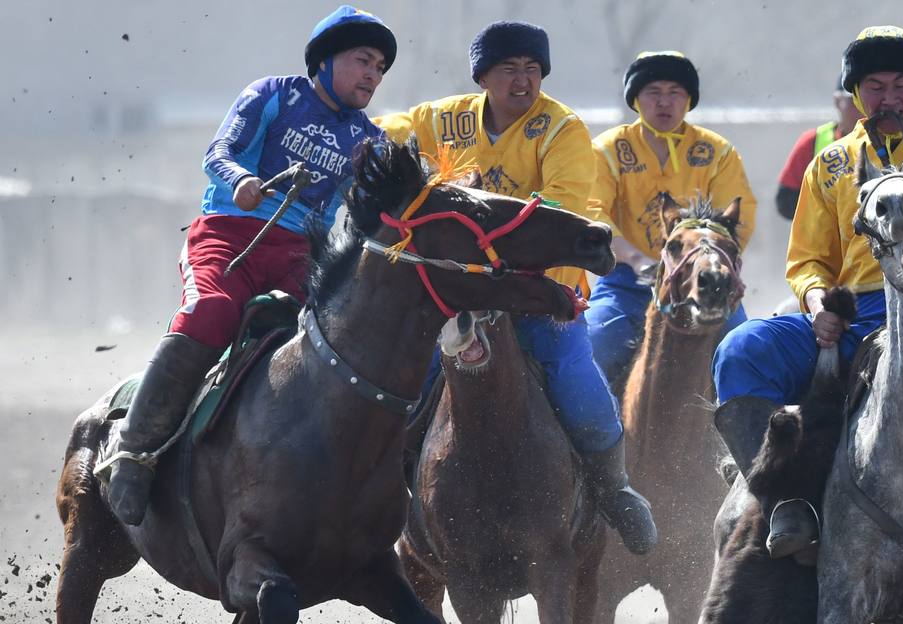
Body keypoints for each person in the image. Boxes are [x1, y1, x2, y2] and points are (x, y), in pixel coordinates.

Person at [711, 26, 903, 557]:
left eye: (901, 86)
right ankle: (785, 501)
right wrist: (818, 300)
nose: (888, 98)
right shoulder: (831, 163)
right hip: (859, 315)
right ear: (854, 92)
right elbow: (807, 260)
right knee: (741, 350)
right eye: (874, 86)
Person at [375, 21, 657, 555]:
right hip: (455, 295)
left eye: (532, 69)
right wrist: (355, 139)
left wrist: (508, 266)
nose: (522, 80)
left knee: (577, 380)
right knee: (405, 382)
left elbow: (572, 209)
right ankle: (384, 495)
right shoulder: (446, 118)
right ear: (483, 75)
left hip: (535, 290)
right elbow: (390, 130)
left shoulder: (561, 129)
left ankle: (615, 489)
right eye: (509, 69)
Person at [105, 6, 394, 525]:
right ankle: (132, 452)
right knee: (212, 311)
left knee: (324, 351)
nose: (373, 74)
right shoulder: (274, 93)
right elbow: (219, 151)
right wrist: (239, 180)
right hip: (228, 235)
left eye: (380, 67)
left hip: (302, 259)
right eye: (363, 60)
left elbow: (377, 209)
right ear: (325, 60)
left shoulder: (367, 139)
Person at [585, 50, 758, 382]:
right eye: (653, 92)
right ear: (636, 99)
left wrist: (709, 264)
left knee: (745, 347)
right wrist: (636, 260)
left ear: (689, 99)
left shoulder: (717, 151)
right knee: (595, 343)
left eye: (675, 92)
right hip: (627, 283)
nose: (664, 102)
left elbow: (737, 216)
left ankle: (745, 429)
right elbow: (592, 212)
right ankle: (600, 432)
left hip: (705, 282)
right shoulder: (607, 149)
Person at [775, 77, 861, 220]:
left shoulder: (889, 141)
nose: (861, 108)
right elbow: (785, 202)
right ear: (837, 101)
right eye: (854, 100)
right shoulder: (813, 141)